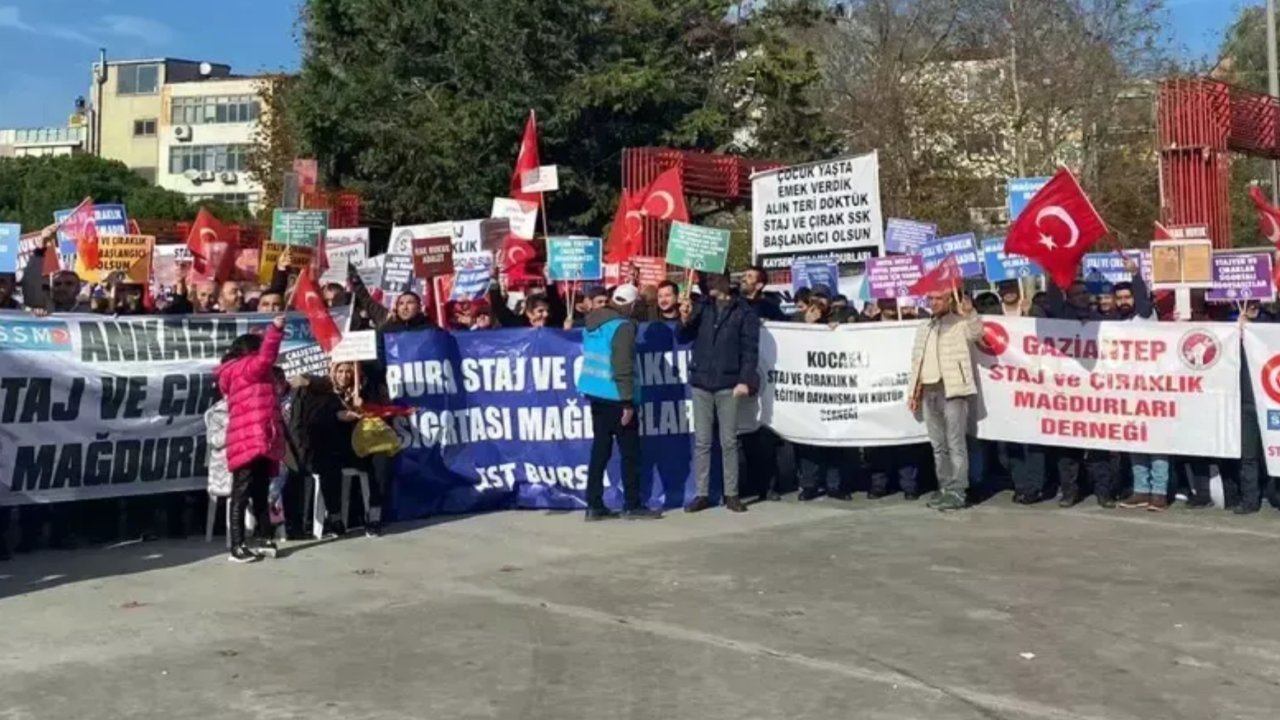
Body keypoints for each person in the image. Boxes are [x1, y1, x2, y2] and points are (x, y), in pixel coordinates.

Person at [679, 275, 760, 514]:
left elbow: (750, 349)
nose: (708, 288)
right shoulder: (702, 307)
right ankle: (702, 493)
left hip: (729, 382)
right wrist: (684, 318)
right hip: (702, 381)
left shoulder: (743, 312)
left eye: (713, 284)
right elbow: (683, 336)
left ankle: (731, 494)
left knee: (728, 441)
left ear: (724, 287)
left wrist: (744, 380)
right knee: (703, 441)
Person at [578, 284, 659, 521]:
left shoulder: (592, 322)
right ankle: (632, 504)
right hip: (617, 396)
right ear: (632, 305)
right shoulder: (622, 327)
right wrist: (627, 402)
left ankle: (593, 504)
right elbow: (622, 365)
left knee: (600, 450)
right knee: (630, 453)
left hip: (596, 393)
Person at [213, 316, 287, 563]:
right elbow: (267, 356)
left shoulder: (242, 371)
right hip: (250, 439)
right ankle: (237, 546)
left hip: (259, 438)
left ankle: (265, 537)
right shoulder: (247, 368)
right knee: (242, 493)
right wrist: (275, 330)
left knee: (259, 491)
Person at [907, 289, 983, 512]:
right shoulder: (924, 327)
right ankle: (944, 487)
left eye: (939, 298)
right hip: (929, 389)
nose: (934, 302)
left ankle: (958, 491)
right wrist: (913, 391)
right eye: (930, 298)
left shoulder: (960, 323)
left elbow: (977, 334)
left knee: (955, 443)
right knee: (938, 445)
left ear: (949, 300)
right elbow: (916, 361)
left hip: (952, 390)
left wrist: (970, 313)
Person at [793, 288, 849, 501]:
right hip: (809, 390)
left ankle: (835, 485)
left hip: (833, 389)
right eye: (815, 299)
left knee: (833, 440)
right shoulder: (798, 318)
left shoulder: (841, 317)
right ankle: (809, 485)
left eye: (822, 299)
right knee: (809, 441)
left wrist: (838, 331)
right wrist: (807, 325)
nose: (819, 303)